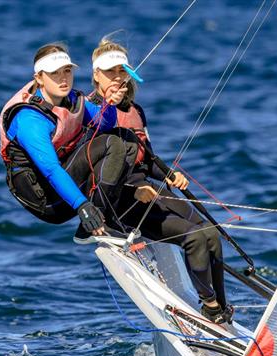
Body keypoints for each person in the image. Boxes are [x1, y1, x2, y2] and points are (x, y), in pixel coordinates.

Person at [88, 38, 233, 324]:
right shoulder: (91, 111)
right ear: (96, 76)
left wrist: (169, 176)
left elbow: (147, 158)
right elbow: (94, 168)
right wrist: (134, 188)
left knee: (212, 233)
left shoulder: (136, 111)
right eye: (110, 72)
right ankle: (211, 305)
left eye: (122, 71)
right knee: (193, 238)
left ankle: (221, 310)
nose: (118, 78)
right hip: (122, 202)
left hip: (149, 191)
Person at [0, 43, 138, 240]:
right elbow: (51, 170)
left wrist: (109, 102)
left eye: (67, 71)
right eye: (54, 73)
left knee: (126, 139)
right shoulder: (29, 119)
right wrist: (83, 206)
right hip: (46, 201)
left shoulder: (72, 100)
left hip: (66, 187)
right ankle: (93, 224)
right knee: (111, 144)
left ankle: (106, 218)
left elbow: (104, 124)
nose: (63, 78)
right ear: (39, 78)